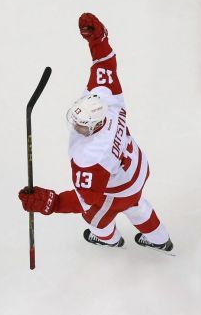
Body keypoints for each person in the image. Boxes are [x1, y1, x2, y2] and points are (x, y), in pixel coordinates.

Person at [18, 13, 173, 252]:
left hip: (120, 187)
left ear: (95, 127)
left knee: (96, 218)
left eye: (81, 126)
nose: (76, 127)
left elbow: (85, 199)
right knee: (137, 205)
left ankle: (109, 240)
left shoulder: (92, 156)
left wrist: (50, 202)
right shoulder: (107, 99)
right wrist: (97, 40)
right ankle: (160, 239)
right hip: (137, 167)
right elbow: (104, 64)